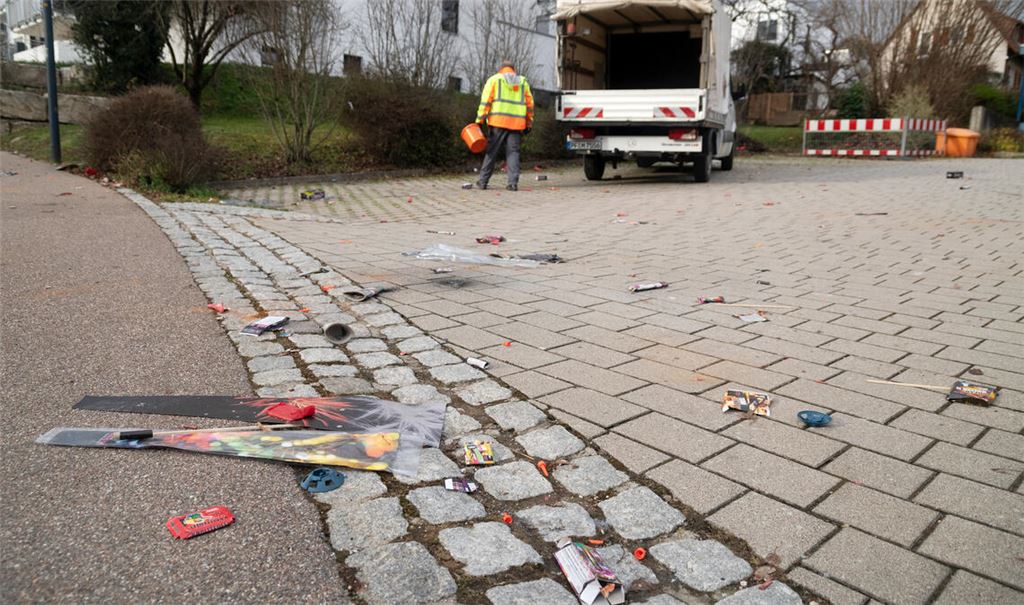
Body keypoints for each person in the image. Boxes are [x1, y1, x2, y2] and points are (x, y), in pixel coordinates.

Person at [474, 60, 534, 191]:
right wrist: (529, 122)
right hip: (517, 124)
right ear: (513, 69)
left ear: (501, 69)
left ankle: (483, 181)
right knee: (513, 153)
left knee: (492, 152)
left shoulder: (494, 80)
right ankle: (512, 183)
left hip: (497, 122)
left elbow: (485, 101)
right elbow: (530, 105)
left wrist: (480, 119)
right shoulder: (522, 81)